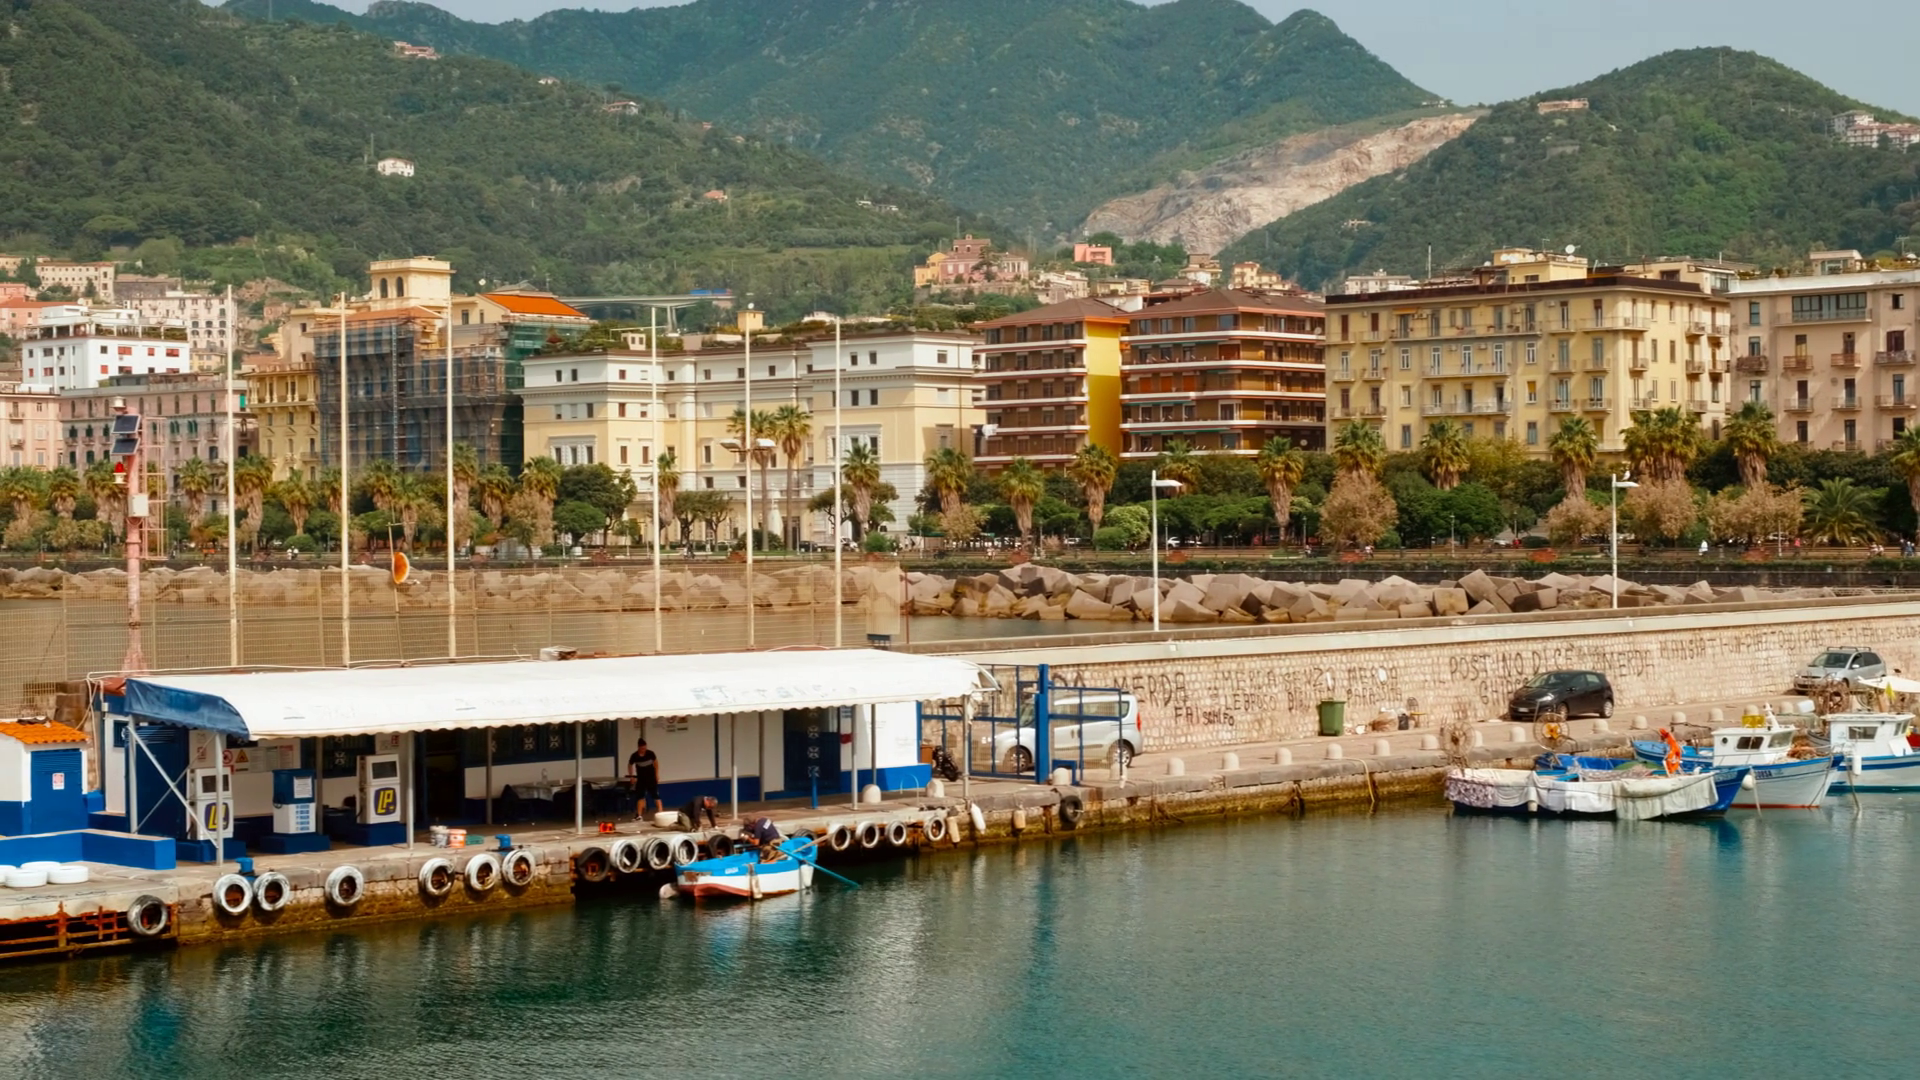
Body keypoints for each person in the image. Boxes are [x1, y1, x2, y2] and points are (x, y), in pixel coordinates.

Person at [627, 738, 660, 820]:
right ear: (639, 747)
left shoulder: (650, 754)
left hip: (651, 778)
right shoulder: (634, 756)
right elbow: (630, 765)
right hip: (641, 779)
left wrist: (657, 775)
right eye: (642, 748)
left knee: (656, 796)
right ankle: (639, 815)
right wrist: (631, 776)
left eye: (645, 748)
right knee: (640, 797)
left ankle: (661, 813)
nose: (643, 750)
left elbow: (656, 764)